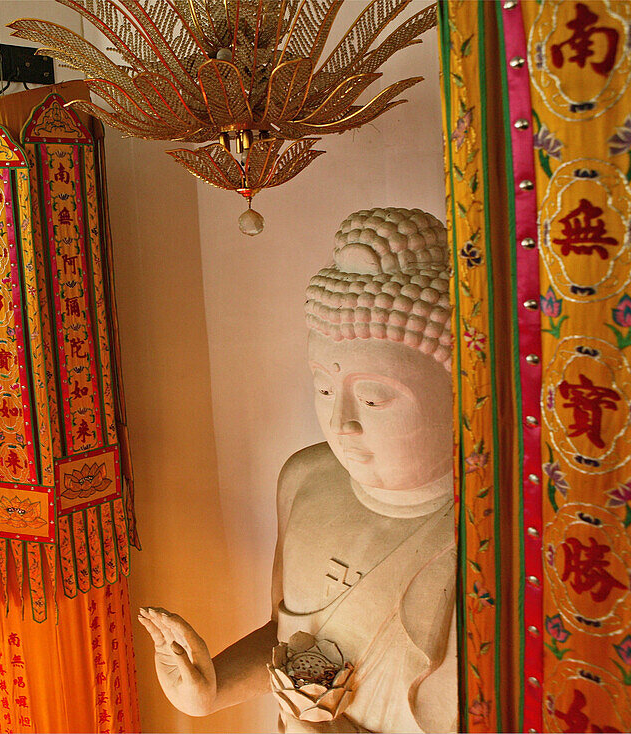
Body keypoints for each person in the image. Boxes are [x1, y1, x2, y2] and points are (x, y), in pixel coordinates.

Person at [138, 208, 457, 733]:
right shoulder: (307, 478)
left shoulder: (496, 522)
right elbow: (291, 645)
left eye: (376, 398)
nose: (342, 422)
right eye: (326, 388)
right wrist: (211, 689)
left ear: (458, 392)